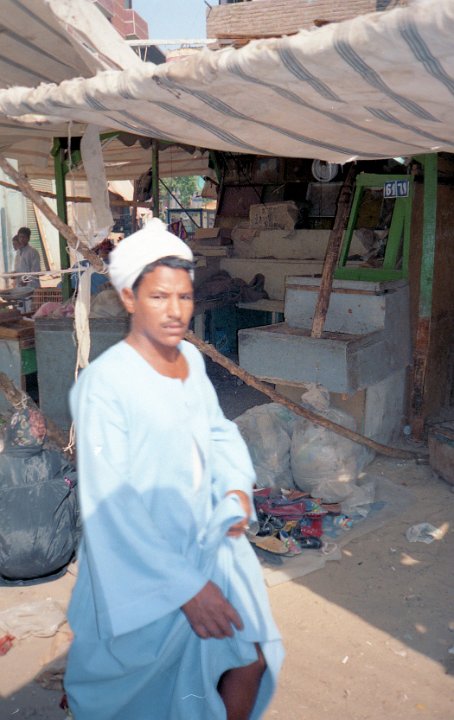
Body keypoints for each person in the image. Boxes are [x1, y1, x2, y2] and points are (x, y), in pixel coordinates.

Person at [64, 218, 283, 720]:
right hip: (142, 567)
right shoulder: (105, 387)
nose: (176, 310)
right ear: (129, 298)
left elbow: (219, 431)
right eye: (160, 297)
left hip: (198, 546)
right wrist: (186, 589)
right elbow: (111, 505)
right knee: (141, 690)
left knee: (246, 661)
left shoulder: (188, 360)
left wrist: (236, 488)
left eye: (184, 296)